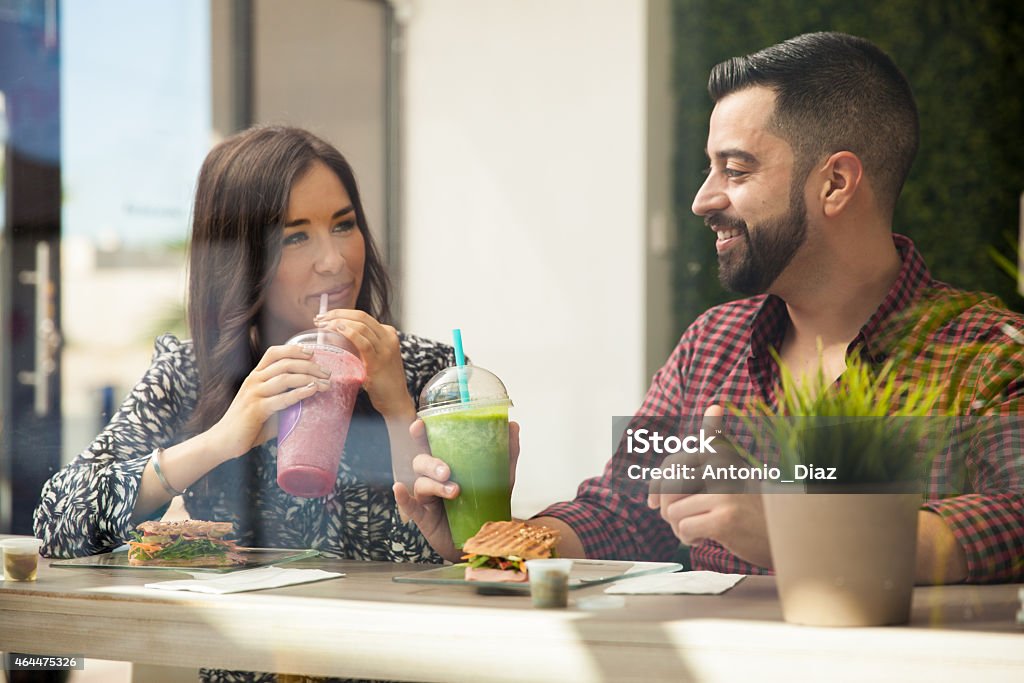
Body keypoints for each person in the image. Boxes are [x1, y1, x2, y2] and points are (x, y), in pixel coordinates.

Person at [396, 32, 1024, 584]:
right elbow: (622, 509)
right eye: (709, 168)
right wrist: (500, 545)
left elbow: (1014, 516)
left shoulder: (988, 352)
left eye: (736, 169)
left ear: (835, 183)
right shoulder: (711, 345)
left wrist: (790, 525)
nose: (703, 199)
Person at [35, 125, 453, 682]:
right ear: (242, 258)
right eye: (294, 237)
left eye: (344, 225)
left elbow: (474, 551)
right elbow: (58, 522)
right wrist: (218, 440)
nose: (334, 261)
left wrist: (398, 406)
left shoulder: (426, 370)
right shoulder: (191, 374)